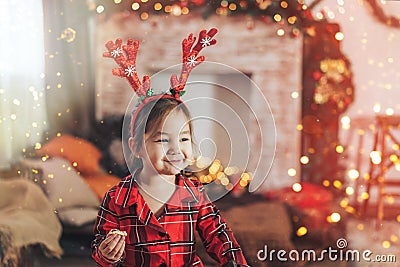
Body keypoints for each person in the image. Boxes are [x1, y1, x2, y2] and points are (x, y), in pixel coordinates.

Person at [92, 28, 249, 267]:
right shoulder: (118, 199)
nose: (176, 149)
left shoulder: (193, 193)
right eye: (163, 140)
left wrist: (234, 261)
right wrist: (107, 254)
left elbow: (218, 233)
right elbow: (100, 246)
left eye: (184, 139)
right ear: (136, 147)